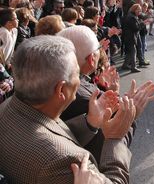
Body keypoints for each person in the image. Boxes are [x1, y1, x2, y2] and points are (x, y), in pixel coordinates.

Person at [0, 35, 137, 183]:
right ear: (61, 90)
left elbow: (47, 130)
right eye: (77, 74)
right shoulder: (66, 161)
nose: (81, 81)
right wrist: (115, 140)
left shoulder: (8, 106)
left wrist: (90, 122)